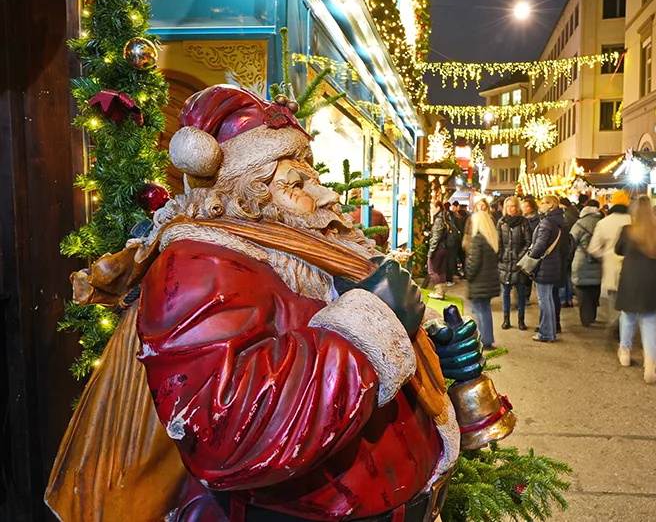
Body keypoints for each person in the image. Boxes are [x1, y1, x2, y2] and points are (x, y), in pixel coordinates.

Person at [62, 84, 468, 521]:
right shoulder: (199, 265)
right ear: (248, 193)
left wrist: (434, 361)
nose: (327, 196)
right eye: (297, 183)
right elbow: (225, 429)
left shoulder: (308, 251)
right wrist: (371, 327)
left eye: (312, 178)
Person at [615, 195, 656, 384]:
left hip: (632, 275)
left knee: (628, 315)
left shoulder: (628, 230)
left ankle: (625, 351)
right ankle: (650, 362)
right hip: (654, 276)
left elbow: (618, 250)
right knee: (650, 320)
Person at [588, 191, 632, 341]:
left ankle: (616, 328)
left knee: (614, 302)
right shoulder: (634, 221)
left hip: (612, 266)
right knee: (630, 303)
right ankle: (627, 333)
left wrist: (605, 255)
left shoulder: (604, 222)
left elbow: (593, 248)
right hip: (632, 267)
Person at [528, 196, 565, 342]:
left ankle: (546, 333)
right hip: (553, 263)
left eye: (543, 203)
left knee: (544, 300)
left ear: (551, 205)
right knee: (548, 299)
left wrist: (531, 256)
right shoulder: (558, 221)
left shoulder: (547, 222)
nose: (540, 205)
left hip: (545, 264)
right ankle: (550, 331)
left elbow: (540, 244)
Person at [466, 210, 502, 349]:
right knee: (485, 309)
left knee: (478, 310)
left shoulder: (478, 239)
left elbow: (474, 263)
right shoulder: (491, 238)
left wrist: (468, 274)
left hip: (479, 281)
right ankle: (487, 338)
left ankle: (483, 339)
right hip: (489, 279)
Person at [497, 197, 530, 330]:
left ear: (517, 207)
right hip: (505, 262)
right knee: (505, 292)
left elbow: (528, 242)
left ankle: (521, 320)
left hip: (519, 263)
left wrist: (519, 256)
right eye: (508, 206)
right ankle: (506, 319)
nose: (510, 209)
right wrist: (500, 255)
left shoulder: (523, 222)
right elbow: (498, 241)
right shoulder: (501, 222)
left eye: (512, 206)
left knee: (521, 292)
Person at [570, 200, 604, 326]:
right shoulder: (601, 223)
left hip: (581, 261)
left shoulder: (579, 223)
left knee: (583, 291)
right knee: (595, 290)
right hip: (599, 261)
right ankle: (592, 315)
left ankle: (586, 318)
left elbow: (572, 240)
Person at [558, 198, 579, 308]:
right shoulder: (575, 213)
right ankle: (569, 298)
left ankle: (562, 299)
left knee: (563, 274)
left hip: (565, 248)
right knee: (569, 275)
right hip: (573, 248)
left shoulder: (564, 216)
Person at [427, 200, 448, 299]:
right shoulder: (443, 217)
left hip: (438, 249)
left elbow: (436, 238)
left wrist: (430, 252)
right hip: (443, 248)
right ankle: (441, 291)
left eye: (432, 208)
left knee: (432, 270)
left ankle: (439, 292)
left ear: (438, 208)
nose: (431, 210)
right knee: (440, 270)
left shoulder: (439, 220)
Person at [443, 202, 461, 286]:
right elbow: (460, 230)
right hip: (453, 243)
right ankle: (448, 279)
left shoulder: (443, 222)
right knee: (450, 261)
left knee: (447, 261)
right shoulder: (454, 218)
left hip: (446, 244)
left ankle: (447, 279)